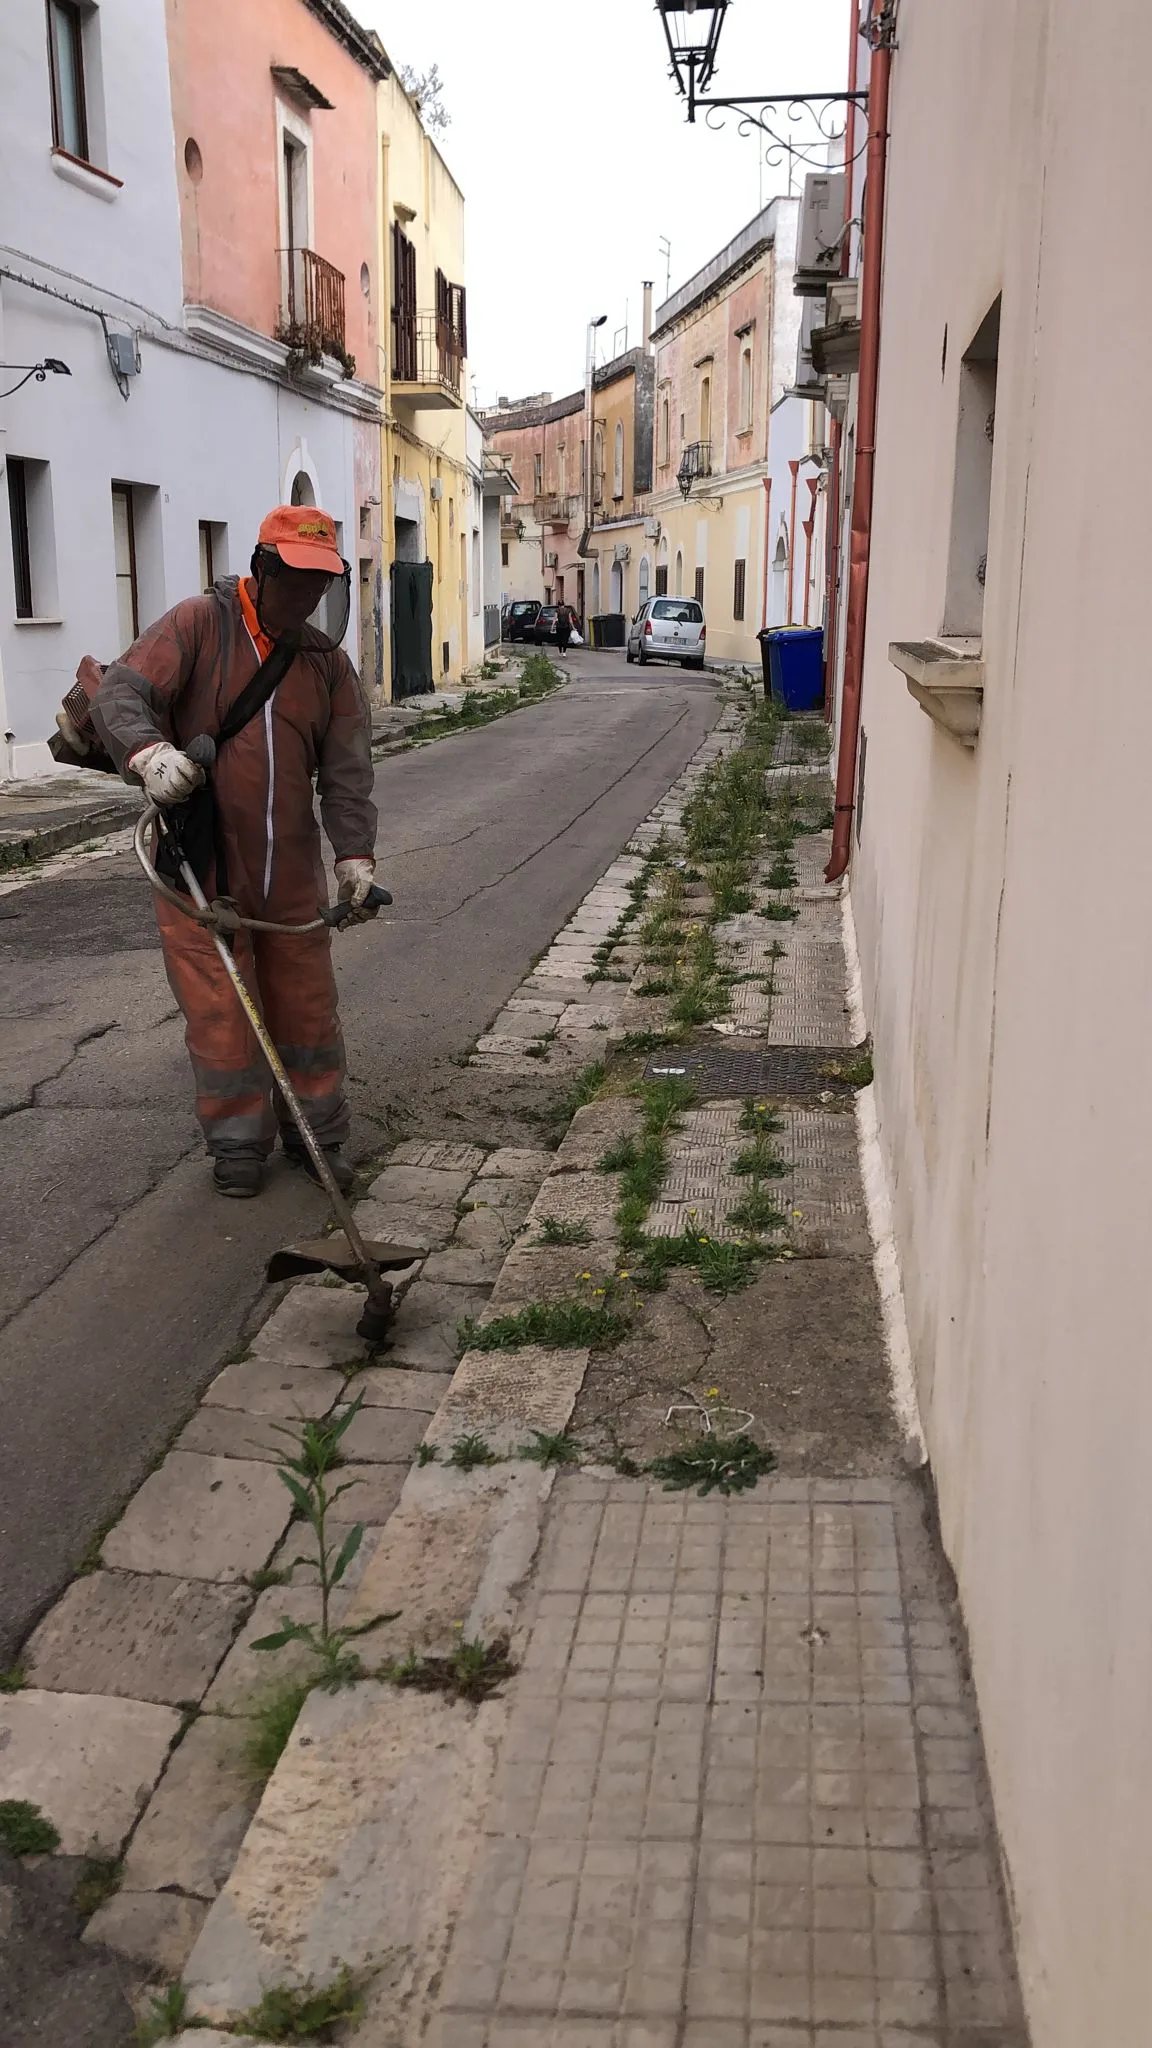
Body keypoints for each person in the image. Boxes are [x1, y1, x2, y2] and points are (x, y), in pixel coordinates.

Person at [92, 505, 379, 1200]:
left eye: (321, 583)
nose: (310, 597)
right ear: (263, 569)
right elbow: (118, 693)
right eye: (299, 581)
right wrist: (149, 753)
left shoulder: (326, 664)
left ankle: (319, 1136)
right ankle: (237, 1146)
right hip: (200, 864)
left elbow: (345, 772)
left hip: (290, 873)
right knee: (223, 1014)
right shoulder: (198, 625)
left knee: (306, 1009)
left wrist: (355, 857)